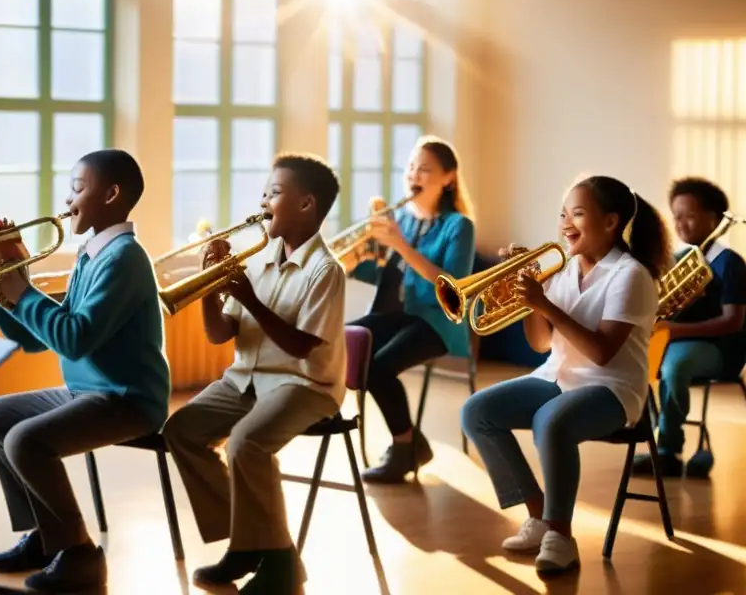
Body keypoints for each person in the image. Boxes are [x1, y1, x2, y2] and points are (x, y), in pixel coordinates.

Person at [0, 148, 171, 595]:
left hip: (128, 400)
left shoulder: (124, 258)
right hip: (88, 392)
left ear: (112, 194)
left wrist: (21, 287)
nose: (67, 200)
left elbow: (74, 338)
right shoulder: (93, 252)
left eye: (78, 188)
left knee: (26, 440)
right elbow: (34, 338)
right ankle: (47, 538)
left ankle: (80, 553)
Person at [460, 175, 670, 575]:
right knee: (476, 412)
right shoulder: (563, 268)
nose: (565, 223)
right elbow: (541, 344)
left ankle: (560, 534)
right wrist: (529, 301)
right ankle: (540, 516)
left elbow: (603, 352)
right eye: (562, 214)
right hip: (557, 376)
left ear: (610, 222)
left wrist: (545, 303)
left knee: (550, 420)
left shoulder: (630, 275)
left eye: (576, 213)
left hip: (612, 388)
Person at [162, 153, 344, 595]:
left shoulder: (326, 270)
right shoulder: (258, 260)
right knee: (180, 430)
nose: (262, 200)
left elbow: (302, 347)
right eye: (264, 191)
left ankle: (276, 561)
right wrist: (208, 287)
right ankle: (253, 544)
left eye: (274, 193)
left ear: (306, 204)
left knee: (246, 443)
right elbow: (219, 333)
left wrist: (253, 301)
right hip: (244, 378)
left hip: (305, 385)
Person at [347, 135, 476, 483]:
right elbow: (388, 275)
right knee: (348, 344)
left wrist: (400, 246)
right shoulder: (401, 219)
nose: (413, 175)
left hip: (438, 322)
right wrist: (353, 261)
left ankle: (405, 446)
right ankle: (413, 444)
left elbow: (451, 285)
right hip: (397, 315)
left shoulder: (458, 226)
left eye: (425, 170)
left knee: (378, 368)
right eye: (410, 167)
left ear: (448, 178)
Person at [632, 177, 746, 478]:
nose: (681, 224)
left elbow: (733, 322)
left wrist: (675, 330)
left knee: (675, 365)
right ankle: (657, 435)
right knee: (635, 358)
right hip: (678, 342)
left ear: (714, 217)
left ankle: (668, 451)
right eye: (676, 216)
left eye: (690, 215)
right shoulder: (680, 259)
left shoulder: (729, 263)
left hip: (721, 350)